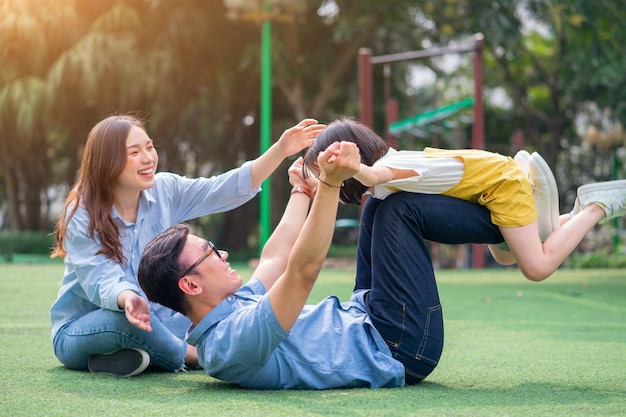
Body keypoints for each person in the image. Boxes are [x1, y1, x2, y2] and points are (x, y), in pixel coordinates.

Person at [138, 141, 626, 389]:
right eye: (211, 254)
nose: (223, 255)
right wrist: (328, 187)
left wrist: (301, 191)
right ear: (190, 283)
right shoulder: (234, 342)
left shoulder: (222, 315)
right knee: (398, 209)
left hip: (370, 315)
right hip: (399, 348)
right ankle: (549, 221)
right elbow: (301, 272)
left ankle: (523, 229)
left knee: (377, 200)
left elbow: (276, 255)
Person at [49, 114, 325, 377]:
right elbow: (101, 278)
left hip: (157, 321)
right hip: (86, 327)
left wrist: (280, 150)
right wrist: (127, 299)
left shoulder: (164, 189)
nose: (148, 158)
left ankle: (122, 357)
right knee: (121, 322)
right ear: (107, 161)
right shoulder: (81, 212)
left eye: (149, 147)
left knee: (215, 310)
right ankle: (194, 356)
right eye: (134, 153)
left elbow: (222, 189)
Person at [302, 117, 626, 281]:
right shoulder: (386, 171)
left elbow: (374, 176)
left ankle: (596, 205)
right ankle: (574, 214)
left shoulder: (387, 167)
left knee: (537, 267)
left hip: (502, 185)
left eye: (325, 169)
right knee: (505, 255)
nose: (326, 177)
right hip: (487, 188)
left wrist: (350, 168)